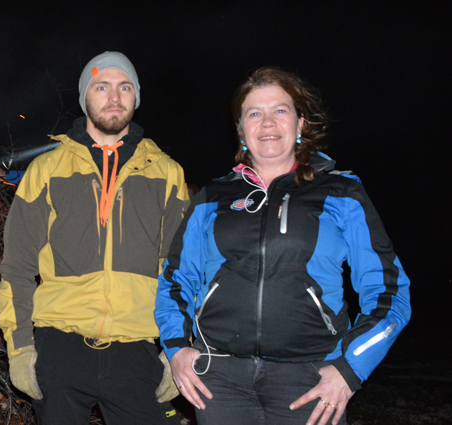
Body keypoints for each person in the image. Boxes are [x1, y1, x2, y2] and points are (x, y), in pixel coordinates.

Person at [155, 67, 412, 425]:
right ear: (241, 129)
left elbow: (389, 292)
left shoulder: (341, 192)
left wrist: (351, 369)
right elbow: (175, 282)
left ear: (300, 123)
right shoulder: (212, 198)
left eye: (280, 110)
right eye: (254, 113)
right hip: (219, 380)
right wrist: (178, 349)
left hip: (311, 378)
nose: (268, 122)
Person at [0, 51, 189, 424]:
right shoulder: (47, 170)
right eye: (102, 87)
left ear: (136, 97)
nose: (114, 98)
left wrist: (177, 348)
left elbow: (180, 271)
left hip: (138, 350)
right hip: (60, 348)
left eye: (125, 87)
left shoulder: (166, 174)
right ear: (86, 96)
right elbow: (17, 266)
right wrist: (20, 348)